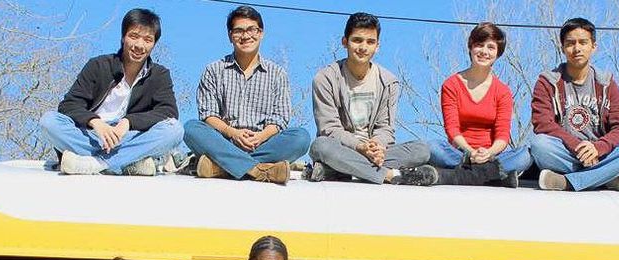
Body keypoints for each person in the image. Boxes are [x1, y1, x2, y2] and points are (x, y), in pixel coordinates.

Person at [40, 8, 183, 176]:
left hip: (130, 137)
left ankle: (96, 163)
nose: (139, 45)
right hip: (92, 137)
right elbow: (69, 105)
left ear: (154, 44)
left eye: (148, 40)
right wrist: (95, 122)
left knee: (175, 130)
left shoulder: (159, 75)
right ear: (123, 37)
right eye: (134, 36)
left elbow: (168, 111)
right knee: (49, 121)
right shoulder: (98, 65)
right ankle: (129, 162)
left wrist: (128, 122)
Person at [184, 5, 311, 185]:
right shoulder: (213, 70)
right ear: (230, 35)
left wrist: (261, 136)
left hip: (263, 144)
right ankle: (259, 170)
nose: (245, 36)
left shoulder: (277, 73)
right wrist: (233, 133)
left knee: (301, 138)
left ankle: (222, 168)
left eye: (252, 29)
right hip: (224, 142)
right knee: (191, 129)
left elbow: (280, 118)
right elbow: (208, 115)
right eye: (239, 31)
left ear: (261, 33)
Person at [308, 13, 433, 186]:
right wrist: (360, 147)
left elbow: (385, 128)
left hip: (375, 152)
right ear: (344, 42)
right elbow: (329, 129)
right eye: (357, 40)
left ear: (377, 46)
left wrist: (376, 146)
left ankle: (338, 169)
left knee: (422, 150)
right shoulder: (325, 79)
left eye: (370, 42)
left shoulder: (388, 82)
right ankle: (390, 175)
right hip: (343, 147)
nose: (363, 47)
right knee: (321, 146)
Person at [531, 17, 619, 192]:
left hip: (602, 154)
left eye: (583, 42)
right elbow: (543, 124)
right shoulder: (547, 82)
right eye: (570, 43)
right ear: (562, 48)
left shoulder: (606, 83)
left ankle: (569, 182)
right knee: (540, 145)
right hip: (568, 154)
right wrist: (577, 147)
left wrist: (598, 148)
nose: (577, 48)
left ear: (593, 46)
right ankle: (608, 177)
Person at [426, 22, 530, 188]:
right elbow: (452, 129)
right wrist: (470, 152)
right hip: (460, 155)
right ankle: (493, 177)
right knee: (432, 147)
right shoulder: (451, 85)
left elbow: (502, 135)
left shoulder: (503, 91)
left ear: (498, 53)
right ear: (471, 47)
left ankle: (461, 176)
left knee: (525, 155)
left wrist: (488, 153)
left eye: (491, 47)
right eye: (479, 45)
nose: (484, 52)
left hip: (491, 156)